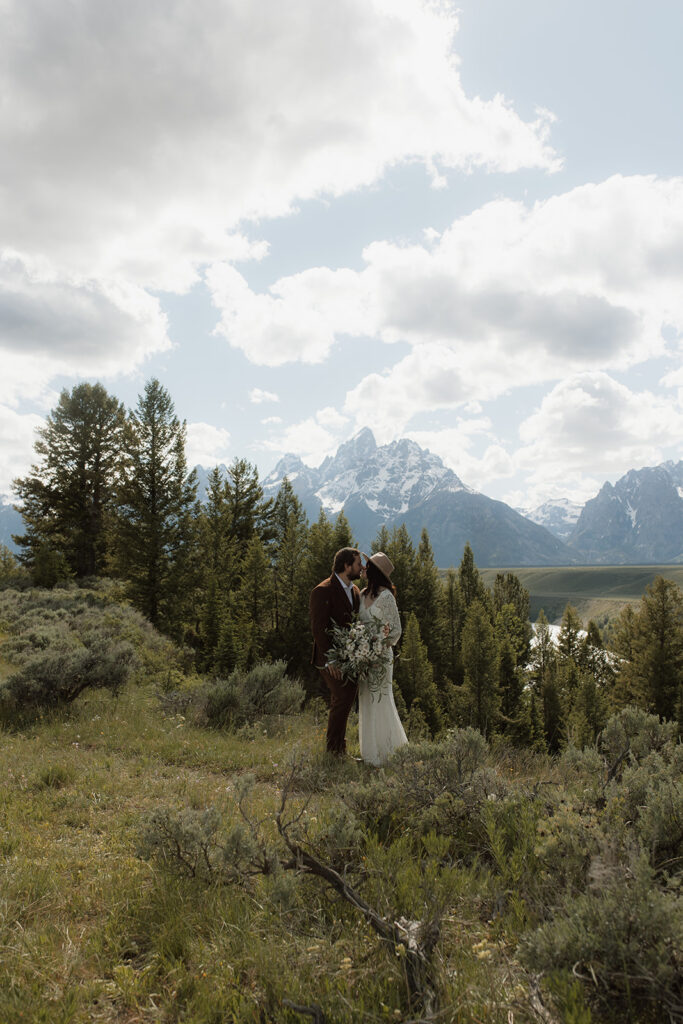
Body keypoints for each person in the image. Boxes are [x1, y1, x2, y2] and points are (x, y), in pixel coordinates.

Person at [309, 547, 362, 755]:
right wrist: (331, 660)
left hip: (349, 657)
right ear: (347, 566)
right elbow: (318, 629)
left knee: (345, 697)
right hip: (328, 658)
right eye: (358, 564)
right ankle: (334, 751)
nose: (361, 568)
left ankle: (338, 748)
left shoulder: (355, 590)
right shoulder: (322, 590)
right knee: (343, 696)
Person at [358, 552, 407, 766]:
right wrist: (360, 646)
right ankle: (370, 753)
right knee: (366, 700)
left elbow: (395, 630)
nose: (363, 568)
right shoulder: (361, 595)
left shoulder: (386, 596)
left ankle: (390, 752)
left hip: (381, 657)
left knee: (382, 700)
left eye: (367, 566)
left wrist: (377, 645)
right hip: (362, 657)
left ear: (374, 571)